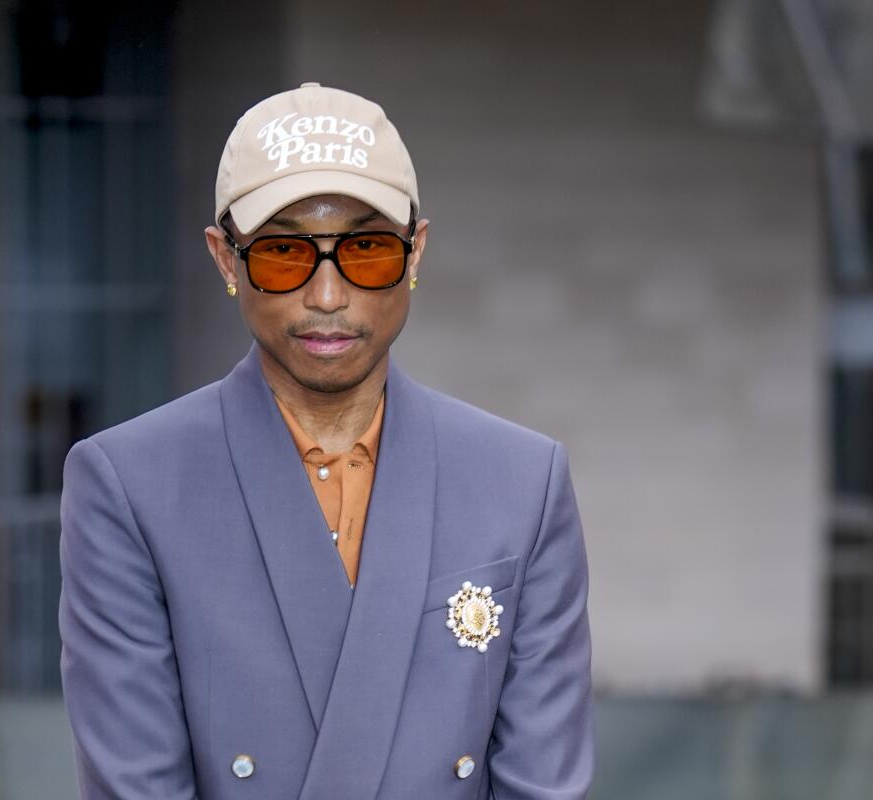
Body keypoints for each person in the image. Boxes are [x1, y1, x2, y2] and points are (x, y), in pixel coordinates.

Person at [58, 82, 593, 799]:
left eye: (367, 250)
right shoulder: (130, 485)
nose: (329, 296)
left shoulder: (522, 482)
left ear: (415, 253)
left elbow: (542, 782)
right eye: (284, 254)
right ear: (226, 260)